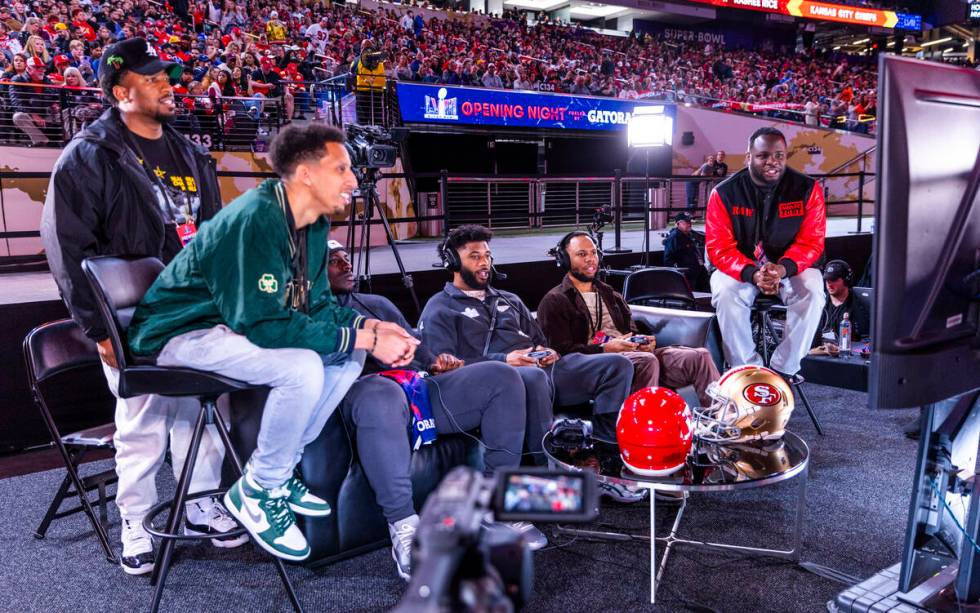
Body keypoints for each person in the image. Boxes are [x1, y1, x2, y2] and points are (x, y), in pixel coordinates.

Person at [126, 123, 420, 561]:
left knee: (349, 352)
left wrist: (372, 331)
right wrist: (363, 333)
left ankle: (277, 475)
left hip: (230, 328)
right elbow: (263, 325)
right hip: (177, 333)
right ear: (305, 173)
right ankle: (260, 488)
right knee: (300, 367)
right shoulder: (255, 217)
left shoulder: (313, 225)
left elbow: (315, 306)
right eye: (340, 168)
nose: (354, 180)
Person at [40, 38, 244, 576]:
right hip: (134, 319)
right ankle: (134, 519)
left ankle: (200, 500)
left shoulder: (190, 152)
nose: (166, 85)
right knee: (145, 420)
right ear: (120, 92)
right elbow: (67, 246)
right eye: (152, 79)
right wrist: (97, 327)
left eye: (165, 76)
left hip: (196, 312)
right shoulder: (89, 155)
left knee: (204, 407)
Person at [326, 241, 547, 579]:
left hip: (415, 387)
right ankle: (403, 526)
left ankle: (492, 502)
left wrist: (437, 362)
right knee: (381, 391)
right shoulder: (304, 314)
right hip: (361, 392)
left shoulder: (377, 304)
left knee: (502, 376)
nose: (346, 265)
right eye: (333, 261)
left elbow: (420, 352)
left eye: (346, 258)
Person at [419, 225, 643, 503]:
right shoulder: (441, 307)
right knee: (531, 376)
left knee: (617, 366)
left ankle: (605, 465)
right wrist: (504, 360)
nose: (484, 263)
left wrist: (546, 351)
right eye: (474, 256)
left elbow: (539, 339)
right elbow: (445, 367)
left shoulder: (509, 299)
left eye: (487, 256)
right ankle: (548, 480)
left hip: (548, 370)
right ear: (452, 262)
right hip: (504, 380)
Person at [537, 231, 720, 405]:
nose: (590, 259)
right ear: (565, 260)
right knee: (646, 361)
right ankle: (643, 430)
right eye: (581, 254)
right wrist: (604, 348)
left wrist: (644, 341)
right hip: (599, 363)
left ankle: (720, 423)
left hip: (634, 353)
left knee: (700, 357)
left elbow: (631, 330)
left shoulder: (611, 295)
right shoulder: (554, 301)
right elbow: (560, 351)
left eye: (593, 253)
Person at [706, 127, 826, 378]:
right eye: (763, 156)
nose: (772, 162)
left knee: (813, 290)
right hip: (742, 269)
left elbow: (811, 242)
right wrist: (752, 273)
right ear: (748, 157)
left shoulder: (807, 189)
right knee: (725, 292)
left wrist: (783, 268)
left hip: (789, 268)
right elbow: (719, 248)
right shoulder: (724, 193)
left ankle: (784, 370)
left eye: (779, 155)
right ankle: (748, 372)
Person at [815, 259, 870, 345]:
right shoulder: (819, 302)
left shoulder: (859, 304)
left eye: (834, 279)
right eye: (827, 279)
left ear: (846, 280)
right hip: (820, 352)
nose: (829, 284)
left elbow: (866, 339)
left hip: (848, 353)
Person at [662, 213, 709, 291]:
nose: (689, 224)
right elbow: (668, 259)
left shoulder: (689, 234)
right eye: (686, 222)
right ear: (678, 224)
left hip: (697, 272)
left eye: (689, 222)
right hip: (687, 274)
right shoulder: (675, 237)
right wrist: (679, 272)